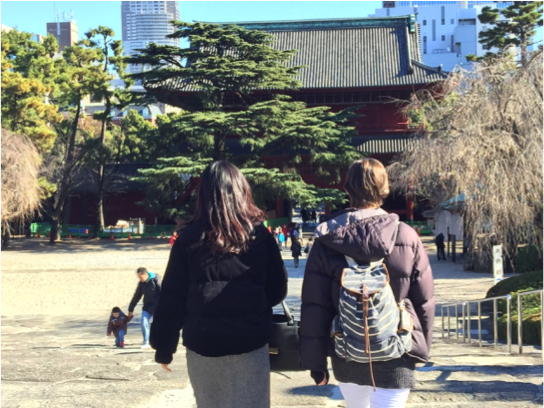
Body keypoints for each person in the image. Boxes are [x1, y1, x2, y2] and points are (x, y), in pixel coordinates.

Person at [150, 161, 288, 408]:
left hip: (204, 342)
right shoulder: (260, 236)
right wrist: (252, 304)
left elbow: (172, 298)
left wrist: (164, 347)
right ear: (241, 191)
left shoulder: (188, 239)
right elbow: (278, 288)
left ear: (203, 195)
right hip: (251, 340)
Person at [301, 158, 435, 408]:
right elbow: (423, 301)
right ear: (384, 189)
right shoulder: (405, 235)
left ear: (348, 189)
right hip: (398, 350)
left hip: (347, 352)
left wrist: (316, 363)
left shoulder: (326, 240)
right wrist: (421, 348)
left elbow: (315, 306)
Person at [128, 267, 162, 349]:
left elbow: (163, 293)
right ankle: (146, 342)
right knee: (144, 322)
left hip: (158, 307)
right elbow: (137, 296)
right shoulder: (141, 284)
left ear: (146, 275)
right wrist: (131, 309)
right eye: (138, 277)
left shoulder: (156, 280)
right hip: (147, 307)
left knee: (159, 326)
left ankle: (160, 342)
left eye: (141, 277)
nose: (140, 279)